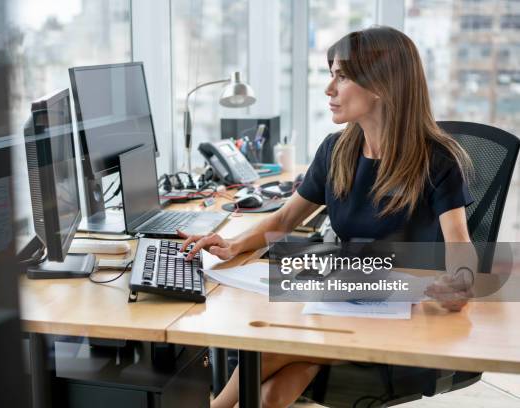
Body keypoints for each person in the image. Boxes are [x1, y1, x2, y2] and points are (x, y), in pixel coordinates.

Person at [180, 26, 477, 408]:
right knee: (270, 395)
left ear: (381, 86)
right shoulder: (337, 150)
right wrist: (233, 244)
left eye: (342, 76)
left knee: (272, 348)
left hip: (403, 314)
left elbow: (460, 244)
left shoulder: (435, 160)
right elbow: (283, 220)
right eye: (330, 75)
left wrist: (461, 284)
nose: (329, 89)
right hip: (341, 302)